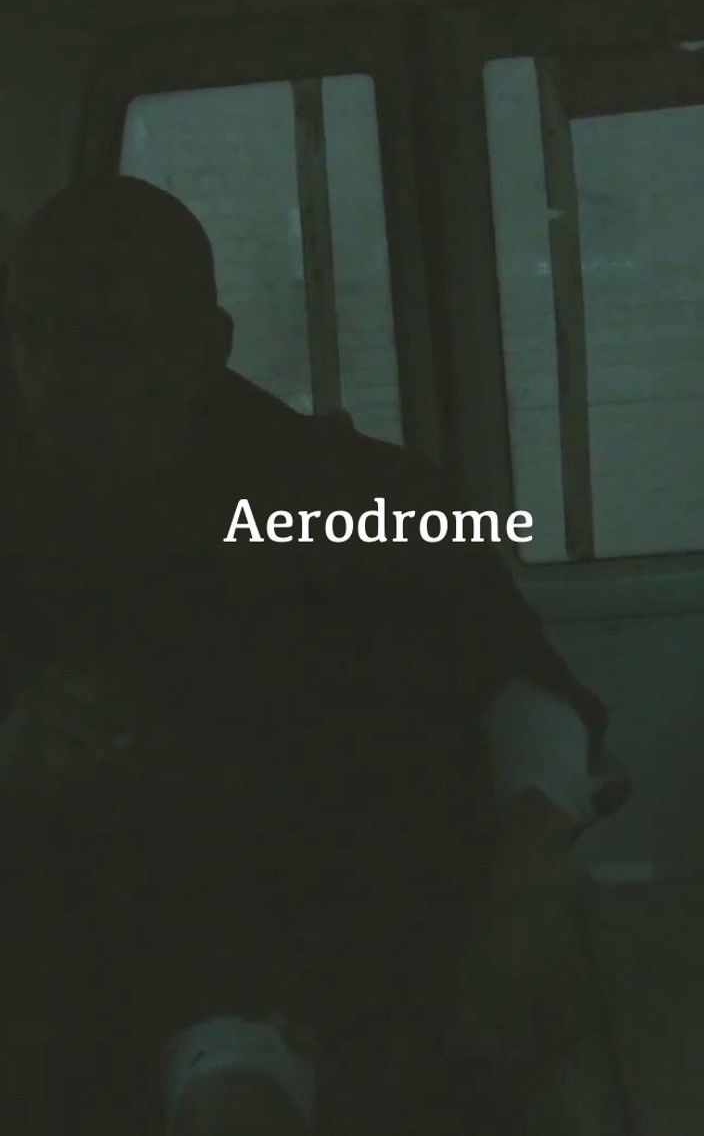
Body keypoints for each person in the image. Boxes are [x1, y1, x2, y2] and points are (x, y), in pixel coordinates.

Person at [0, 176, 628, 1136]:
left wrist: (527, 889)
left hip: (369, 959)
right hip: (107, 981)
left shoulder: (342, 492)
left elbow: (518, 676)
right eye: (34, 332)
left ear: (205, 345)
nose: (58, 375)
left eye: (107, 336)